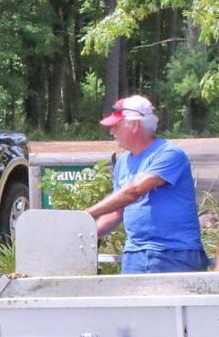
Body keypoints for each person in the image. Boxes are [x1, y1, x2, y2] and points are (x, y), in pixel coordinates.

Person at [85, 95, 208, 273]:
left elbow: (134, 191)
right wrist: (83, 234)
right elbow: (115, 213)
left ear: (134, 124)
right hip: (135, 254)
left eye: (115, 125)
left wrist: (86, 214)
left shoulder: (169, 154)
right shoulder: (123, 162)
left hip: (174, 254)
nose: (111, 131)